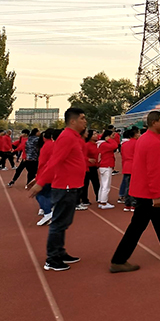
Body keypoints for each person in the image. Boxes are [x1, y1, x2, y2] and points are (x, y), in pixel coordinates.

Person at [110, 111, 160, 273]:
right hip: (146, 192)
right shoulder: (152, 142)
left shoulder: (145, 139)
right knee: (137, 226)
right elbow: (153, 171)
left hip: (142, 189)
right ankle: (118, 260)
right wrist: (156, 195)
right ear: (154, 122)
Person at [26, 108, 88, 272]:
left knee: (64, 222)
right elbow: (55, 161)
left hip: (72, 186)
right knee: (59, 223)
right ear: (73, 121)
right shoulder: (67, 137)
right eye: (82, 118)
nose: (85, 121)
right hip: (65, 187)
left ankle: (59, 252)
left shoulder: (73, 137)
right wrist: (41, 182)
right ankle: (52, 259)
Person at [119, 127, 139, 212]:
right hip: (134, 166)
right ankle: (134, 204)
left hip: (126, 166)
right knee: (134, 186)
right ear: (135, 134)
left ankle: (127, 204)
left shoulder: (124, 144)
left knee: (127, 186)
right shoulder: (137, 143)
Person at [96, 130, 118, 210]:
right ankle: (103, 202)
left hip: (104, 165)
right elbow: (115, 145)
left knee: (103, 185)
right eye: (112, 135)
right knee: (106, 185)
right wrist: (109, 140)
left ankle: (100, 200)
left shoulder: (101, 144)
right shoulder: (104, 144)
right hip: (106, 165)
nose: (113, 137)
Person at [83, 130, 101, 205]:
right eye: (94, 134)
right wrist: (88, 159)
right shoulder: (87, 145)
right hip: (87, 167)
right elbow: (82, 155)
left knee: (96, 183)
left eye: (96, 134)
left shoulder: (96, 145)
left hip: (94, 167)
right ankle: (84, 199)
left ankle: (99, 197)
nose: (96, 135)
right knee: (85, 184)